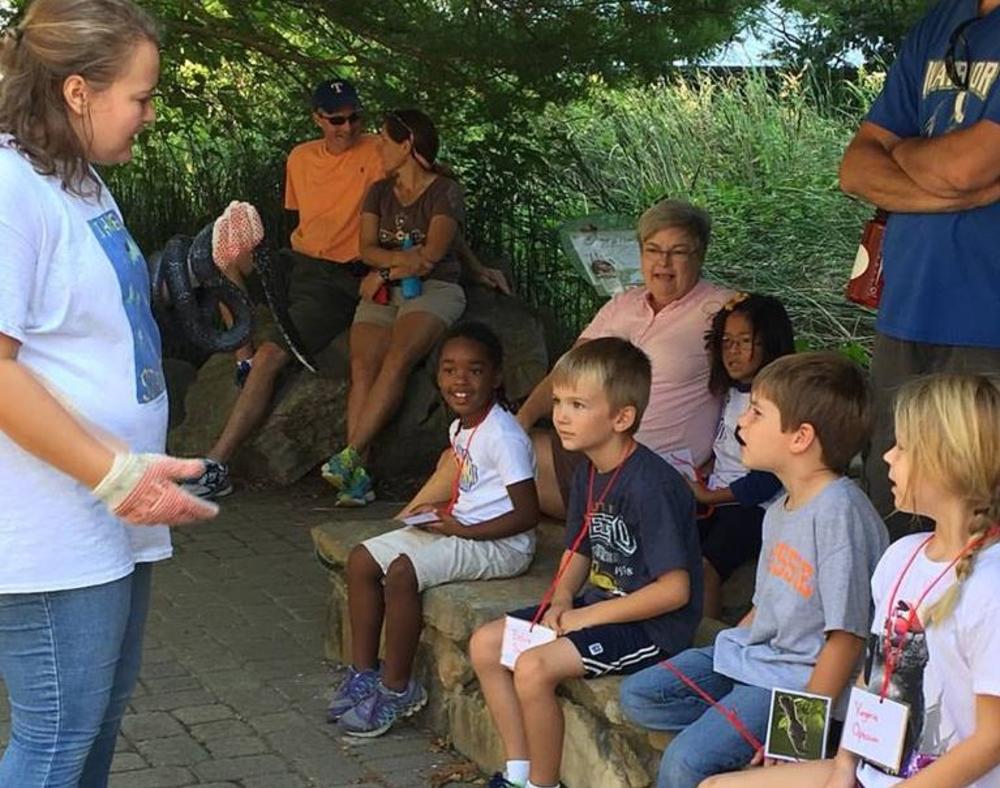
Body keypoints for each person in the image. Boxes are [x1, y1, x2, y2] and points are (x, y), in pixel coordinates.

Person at [0, 1, 218, 784]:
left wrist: (206, 268)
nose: (150, 115)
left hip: (106, 514)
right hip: (49, 526)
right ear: (78, 92)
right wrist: (113, 475)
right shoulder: (9, 187)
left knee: (92, 728)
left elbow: (96, 322)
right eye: (142, 95)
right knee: (56, 739)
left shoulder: (79, 179)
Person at [702, 373, 1000, 788]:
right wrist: (844, 766)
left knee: (688, 760)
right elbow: (875, 676)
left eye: (904, 448)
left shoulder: (990, 585)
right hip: (869, 765)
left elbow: (993, 739)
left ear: (950, 460)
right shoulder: (902, 555)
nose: (887, 458)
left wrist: (797, 742)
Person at [619, 352, 888, 788]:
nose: (741, 422)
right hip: (757, 661)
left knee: (684, 763)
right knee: (639, 695)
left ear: (800, 437)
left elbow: (847, 637)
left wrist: (798, 737)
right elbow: (764, 606)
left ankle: (748, 721)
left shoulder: (840, 513)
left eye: (757, 413)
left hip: (798, 682)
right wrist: (735, 650)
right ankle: (739, 718)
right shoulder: (779, 506)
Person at [469, 338, 703, 788]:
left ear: (622, 417)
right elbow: (579, 547)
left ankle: (541, 784)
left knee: (535, 668)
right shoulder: (588, 470)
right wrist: (560, 598)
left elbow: (675, 591)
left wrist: (583, 616)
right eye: (558, 401)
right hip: (596, 608)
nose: (560, 415)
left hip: (650, 629)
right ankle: (517, 773)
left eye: (578, 404)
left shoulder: (651, 485)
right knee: (486, 644)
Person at [838, 0, 1000, 541]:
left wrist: (901, 149)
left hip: (989, 317)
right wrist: (951, 195)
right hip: (906, 308)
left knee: (979, 507)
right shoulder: (941, 22)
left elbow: (969, 165)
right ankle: (897, 624)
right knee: (897, 495)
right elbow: (857, 166)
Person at [330, 322, 539, 737]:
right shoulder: (461, 427)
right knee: (362, 559)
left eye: (475, 370)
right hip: (465, 528)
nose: (460, 380)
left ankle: (396, 688)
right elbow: (480, 490)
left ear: (496, 376)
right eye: (449, 369)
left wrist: (463, 530)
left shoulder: (505, 435)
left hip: (503, 544)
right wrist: (439, 514)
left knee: (404, 571)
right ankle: (364, 673)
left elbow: (527, 515)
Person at [184, 77, 386, 499]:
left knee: (273, 356)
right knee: (216, 253)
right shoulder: (300, 157)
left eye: (353, 119)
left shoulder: (379, 150)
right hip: (298, 260)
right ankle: (243, 356)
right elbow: (301, 219)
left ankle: (217, 464)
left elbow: (429, 191)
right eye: (335, 120)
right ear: (317, 118)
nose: (346, 128)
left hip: (336, 277)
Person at [321, 109, 469, 507]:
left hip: (433, 288)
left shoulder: (445, 192)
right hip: (385, 288)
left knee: (398, 356)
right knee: (362, 366)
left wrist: (384, 272)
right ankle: (358, 477)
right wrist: (390, 270)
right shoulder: (379, 192)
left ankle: (350, 457)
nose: (378, 148)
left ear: (407, 146)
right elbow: (366, 248)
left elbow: (432, 255)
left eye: (385, 142)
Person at [692, 292, 795, 619]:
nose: (732, 352)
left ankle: (707, 645)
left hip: (752, 508)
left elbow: (767, 479)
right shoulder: (733, 392)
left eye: (745, 341)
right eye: (726, 341)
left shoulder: (777, 401)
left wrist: (709, 496)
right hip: (719, 498)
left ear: (771, 344)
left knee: (704, 566)